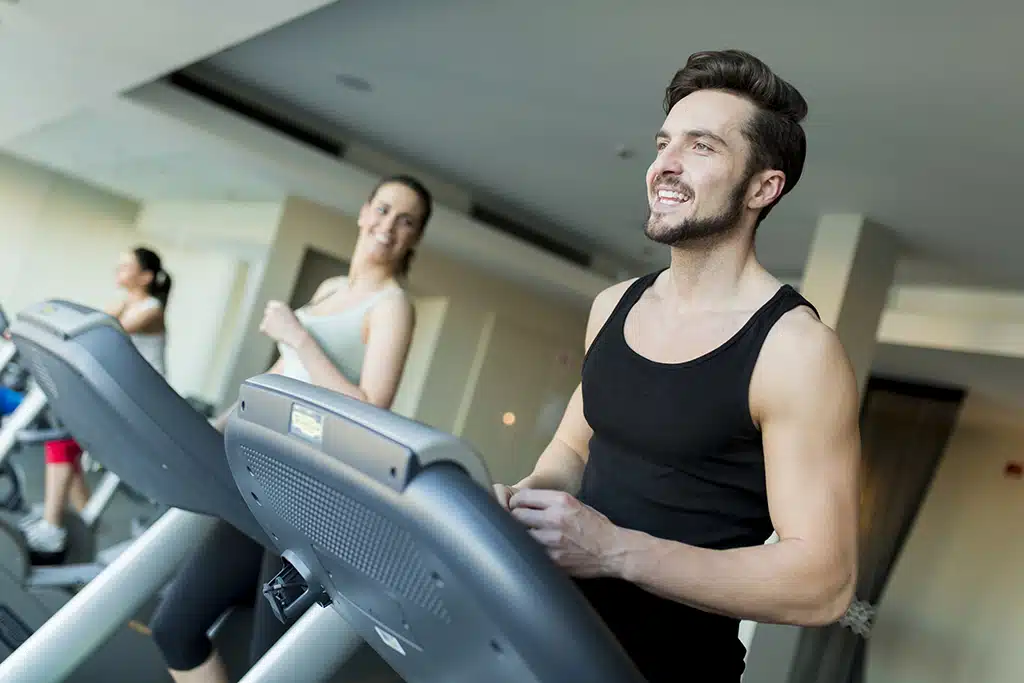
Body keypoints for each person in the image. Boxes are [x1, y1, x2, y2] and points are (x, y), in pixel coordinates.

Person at [494, 50, 860, 682]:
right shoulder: (614, 305)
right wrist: (525, 504)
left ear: (762, 188)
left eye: (702, 147)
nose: (665, 164)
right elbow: (571, 451)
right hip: (546, 640)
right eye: (664, 143)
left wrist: (612, 551)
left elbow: (823, 583)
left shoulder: (795, 350)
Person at [149, 174, 432, 683]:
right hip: (260, 481)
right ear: (365, 211)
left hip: (308, 500)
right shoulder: (332, 289)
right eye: (384, 210)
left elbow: (371, 409)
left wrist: (298, 336)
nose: (389, 225)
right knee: (173, 627)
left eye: (406, 221)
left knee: (270, 668)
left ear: (414, 238)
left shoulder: (392, 306)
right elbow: (278, 381)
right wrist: (210, 429)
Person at [21, 246, 172, 564]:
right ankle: (86, 522)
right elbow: (83, 328)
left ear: (145, 276)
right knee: (65, 444)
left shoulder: (151, 308)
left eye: (126, 265)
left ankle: (53, 528)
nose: (118, 268)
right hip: (120, 398)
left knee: (63, 441)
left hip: (142, 407)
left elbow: (103, 335)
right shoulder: (125, 303)